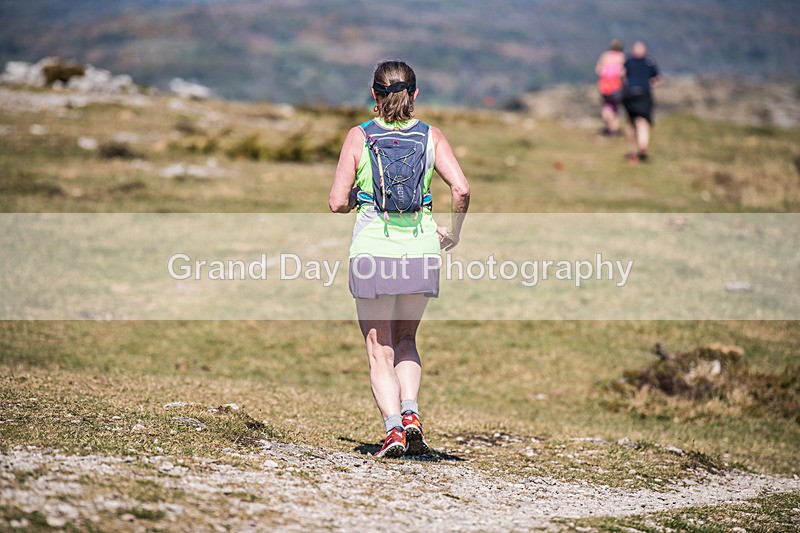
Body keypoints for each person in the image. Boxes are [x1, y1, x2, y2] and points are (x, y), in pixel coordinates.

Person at [329, 60, 470, 458]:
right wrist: (452, 232)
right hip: (422, 250)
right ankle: (412, 415)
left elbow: (337, 202)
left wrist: (361, 197)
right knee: (407, 339)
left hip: (374, 251)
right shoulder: (431, 135)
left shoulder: (359, 136)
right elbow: (461, 190)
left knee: (380, 348)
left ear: (373, 95)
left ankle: (392, 430)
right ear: (415, 95)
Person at [622, 41, 661, 162]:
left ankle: (631, 151)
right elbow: (657, 80)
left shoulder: (628, 61)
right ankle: (643, 146)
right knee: (642, 122)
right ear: (645, 51)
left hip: (629, 94)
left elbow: (621, 75)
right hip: (644, 93)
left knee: (631, 123)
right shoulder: (649, 62)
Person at [595, 39, 626, 136]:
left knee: (606, 106)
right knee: (615, 108)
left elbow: (598, 70)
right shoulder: (621, 57)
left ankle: (608, 126)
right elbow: (623, 72)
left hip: (605, 86)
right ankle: (614, 129)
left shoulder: (605, 56)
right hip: (616, 85)